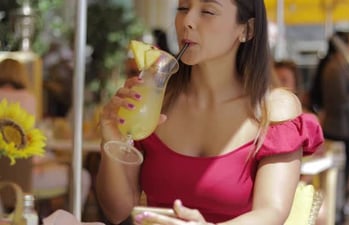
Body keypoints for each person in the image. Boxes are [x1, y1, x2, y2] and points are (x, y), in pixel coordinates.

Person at [97, 1, 324, 224]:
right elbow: (118, 211)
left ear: (247, 29)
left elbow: (271, 212)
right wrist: (112, 142)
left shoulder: (273, 110)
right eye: (183, 8)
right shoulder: (154, 101)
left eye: (207, 11)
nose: (188, 21)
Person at [0, 58, 91, 217]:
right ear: (20, 75)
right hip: (27, 178)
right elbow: (27, 148)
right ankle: (66, 219)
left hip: (5, 181)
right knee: (82, 177)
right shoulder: (28, 98)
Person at [309, 31, 349, 223]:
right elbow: (339, 103)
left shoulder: (342, 67)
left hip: (346, 129)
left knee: (344, 177)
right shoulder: (334, 69)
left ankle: (339, 210)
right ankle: (336, 213)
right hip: (339, 130)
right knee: (339, 178)